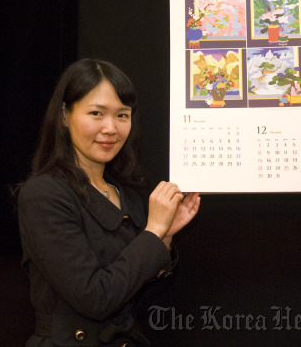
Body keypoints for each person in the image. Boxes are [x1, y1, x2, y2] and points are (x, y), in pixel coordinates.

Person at [17, 58, 200, 347]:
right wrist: (152, 233)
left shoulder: (125, 195)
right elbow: (96, 298)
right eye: (96, 113)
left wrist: (163, 237)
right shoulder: (44, 194)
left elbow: (137, 307)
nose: (111, 128)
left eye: (122, 115)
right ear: (65, 115)